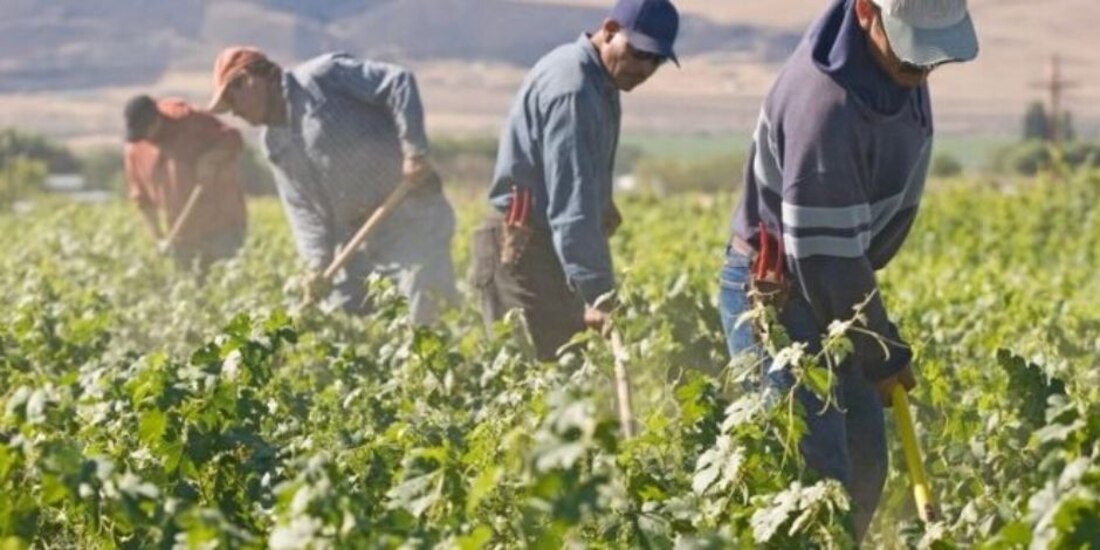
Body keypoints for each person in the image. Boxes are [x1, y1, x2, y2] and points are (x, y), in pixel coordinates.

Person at [718, 0, 978, 539]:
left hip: (836, 281)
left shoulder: (888, 64)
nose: (923, 72)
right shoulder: (825, 107)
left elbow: (840, 264)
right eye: (913, 58)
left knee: (863, 462)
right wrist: (882, 354)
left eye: (932, 59)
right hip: (780, 292)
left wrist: (876, 346)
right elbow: (827, 262)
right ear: (866, 12)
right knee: (815, 477)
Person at [471, 0, 680, 360]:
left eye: (656, 60)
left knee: (564, 379)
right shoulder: (574, 89)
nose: (645, 68)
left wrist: (604, 204)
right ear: (610, 30)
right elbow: (572, 204)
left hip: (548, 247)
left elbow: (583, 178)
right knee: (540, 382)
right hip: (520, 248)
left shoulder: (602, 80)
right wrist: (598, 295)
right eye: (638, 52)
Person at [206, 47, 457, 325]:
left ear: (251, 79)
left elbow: (398, 81)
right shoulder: (274, 144)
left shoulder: (323, 78)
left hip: (410, 214)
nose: (234, 112)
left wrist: (414, 152)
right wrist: (317, 266)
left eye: (232, 97)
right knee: (341, 320)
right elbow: (303, 210)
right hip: (358, 238)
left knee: (425, 313)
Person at [123, 95, 248, 272]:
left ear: (157, 120)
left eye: (146, 131)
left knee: (224, 281)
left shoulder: (191, 122)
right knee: (192, 290)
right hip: (181, 237)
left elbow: (233, 139)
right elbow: (142, 199)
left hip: (221, 225)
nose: (145, 138)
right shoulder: (136, 148)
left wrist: (210, 159)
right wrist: (158, 238)